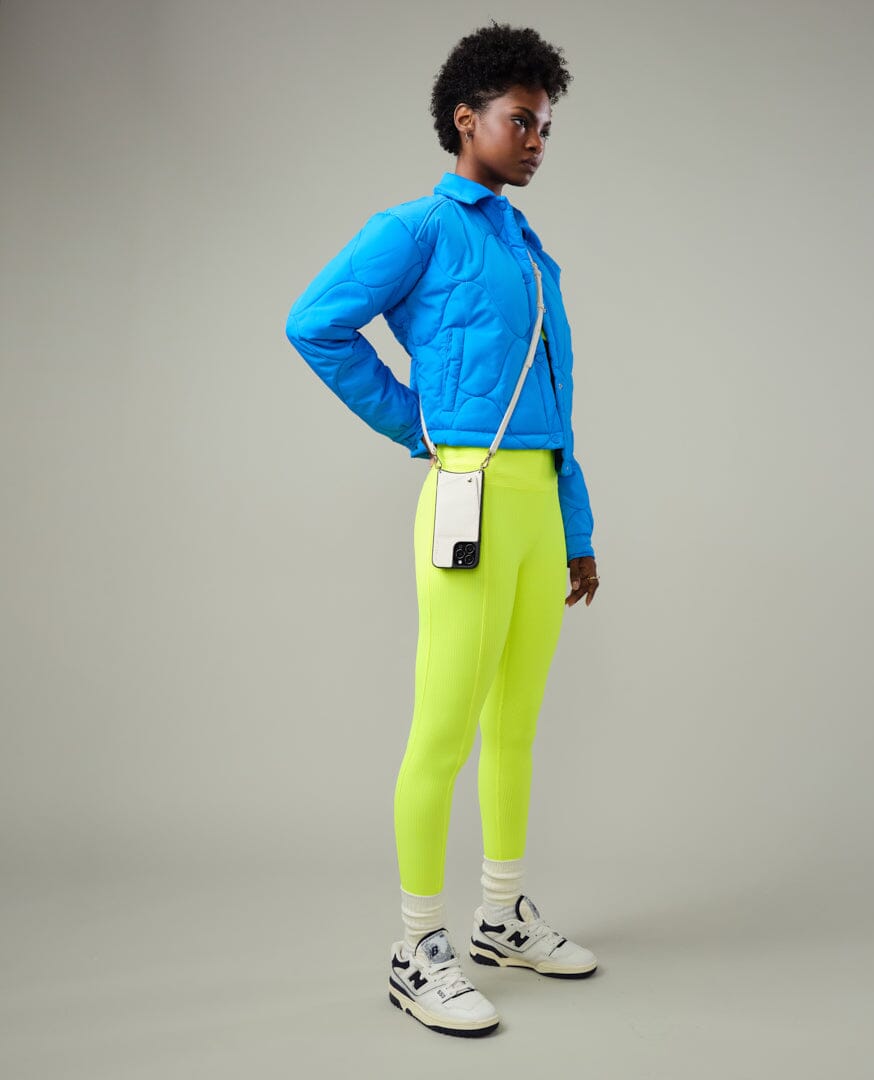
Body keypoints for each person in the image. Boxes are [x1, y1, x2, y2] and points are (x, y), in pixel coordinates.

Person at [284, 21, 599, 1038]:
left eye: (545, 126)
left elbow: (554, 405)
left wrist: (577, 529)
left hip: (538, 507)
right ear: (466, 120)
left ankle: (500, 916)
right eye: (521, 121)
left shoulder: (529, 250)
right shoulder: (418, 227)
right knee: (445, 728)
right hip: (468, 502)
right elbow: (315, 322)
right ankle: (415, 946)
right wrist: (415, 424)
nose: (536, 140)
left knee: (517, 724)